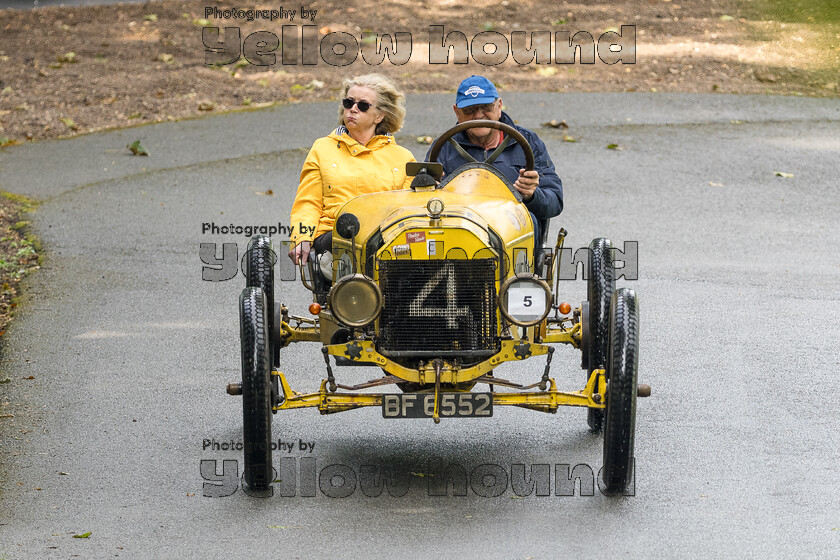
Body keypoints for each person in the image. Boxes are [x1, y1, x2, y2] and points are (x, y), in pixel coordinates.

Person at [288, 74, 415, 264]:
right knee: (350, 233)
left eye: (362, 105)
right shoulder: (322, 148)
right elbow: (308, 202)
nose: (353, 109)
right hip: (333, 236)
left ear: (380, 115)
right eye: (348, 103)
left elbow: (409, 211)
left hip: (385, 239)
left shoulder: (403, 157)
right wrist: (301, 237)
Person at [426, 75, 563, 246]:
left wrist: (531, 195)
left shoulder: (529, 141)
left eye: (486, 107)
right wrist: (431, 188)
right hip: (459, 229)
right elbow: (424, 202)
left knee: (531, 222)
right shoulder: (443, 147)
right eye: (470, 110)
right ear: (457, 113)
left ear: (499, 106)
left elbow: (555, 202)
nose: (479, 115)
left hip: (510, 227)